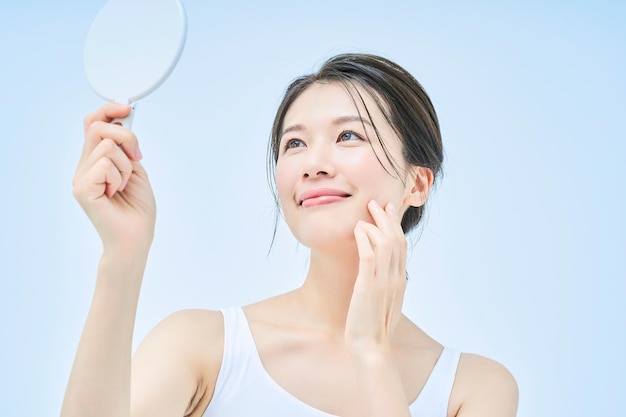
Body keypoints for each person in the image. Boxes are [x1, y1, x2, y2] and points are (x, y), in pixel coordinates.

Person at [62, 53, 518, 417]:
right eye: (294, 143)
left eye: (349, 136)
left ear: (417, 183)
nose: (313, 163)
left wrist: (371, 354)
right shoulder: (204, 347)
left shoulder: (474, 389)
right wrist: (121, 256)